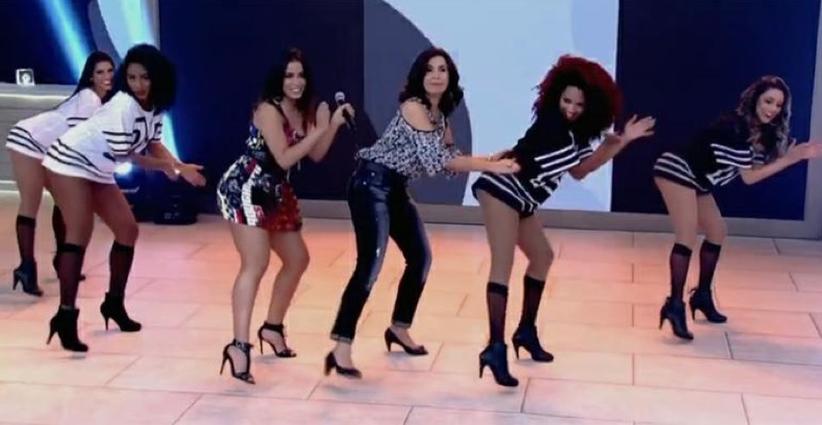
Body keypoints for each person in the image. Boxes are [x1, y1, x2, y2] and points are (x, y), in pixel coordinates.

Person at [326, 47, 520, 379]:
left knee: (420, 258)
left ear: (450, 77)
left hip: (395, 188)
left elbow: (449, 162)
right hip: (371, 184)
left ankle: (399, 328)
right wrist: (492, 167)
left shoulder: (439, 117)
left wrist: (490, 159)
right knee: (370, 265)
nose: (436, 75)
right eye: (429, 69)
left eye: (442, 69)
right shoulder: (414, 108)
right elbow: (438, 162)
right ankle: (340, 347)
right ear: (420, 76)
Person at [471, 55, 655, 386]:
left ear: (591, 107)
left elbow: (581, 168)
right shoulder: (554, 129)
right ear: (555, 96)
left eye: (579, 104)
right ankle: (494, 348)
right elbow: (578, 166)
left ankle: (526, 331)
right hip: (501, 189)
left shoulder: (571, 135)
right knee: (503, 262)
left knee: (542, 256)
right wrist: (616, 143)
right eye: (566, 100)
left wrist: (620, 141)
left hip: (523, 198)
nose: (570, 108)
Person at [41, 44, 206, 352]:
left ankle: (113, 304)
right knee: (79, 232)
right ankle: (65, 316)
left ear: (157, 77)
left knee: (127, 230)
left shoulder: (155, 105)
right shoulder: (123, 106)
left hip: (99, 167)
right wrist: (171, 167)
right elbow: (128, 155)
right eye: (131, 78)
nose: (138, 85)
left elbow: (154, 143)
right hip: (69, 161)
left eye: (144, 77)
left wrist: (179, 167)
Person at [216, 48, 354, 384]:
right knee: (256, 263)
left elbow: (316, 155)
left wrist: (332, 126)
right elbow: (284, 157)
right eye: (289, 75)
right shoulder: (268, 109)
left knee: (297, 259)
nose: (295, 82)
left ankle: (272, 328)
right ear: (278, 79)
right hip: (245, 187)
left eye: (300, 75)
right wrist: (319, 128)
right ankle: (238, 346)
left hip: (275, 191)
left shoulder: (303, 109)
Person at [654, 75, 822, 340]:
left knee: (717, 231)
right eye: (768, 101)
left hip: (698, 178)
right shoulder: (737, 128)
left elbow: (756, 167)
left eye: (778, 105)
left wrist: (791, 156)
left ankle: (702, 296)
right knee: (686, 236)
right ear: (756, 100)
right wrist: (791, 159)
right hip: (676, 168)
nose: (772, 109)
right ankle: (674, 305)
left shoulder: (760, 132)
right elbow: (750, 177)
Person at [6, 51, 114, 296]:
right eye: (100, 72)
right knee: (31, 202)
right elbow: (77, 138)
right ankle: (26, 267)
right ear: (90, 77)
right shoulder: (89, 99)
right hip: (28, 140)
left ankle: (61, 260)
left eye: (110, 71)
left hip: (48, 147)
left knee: (64, 202)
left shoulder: (95, 101)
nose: (106, 76)